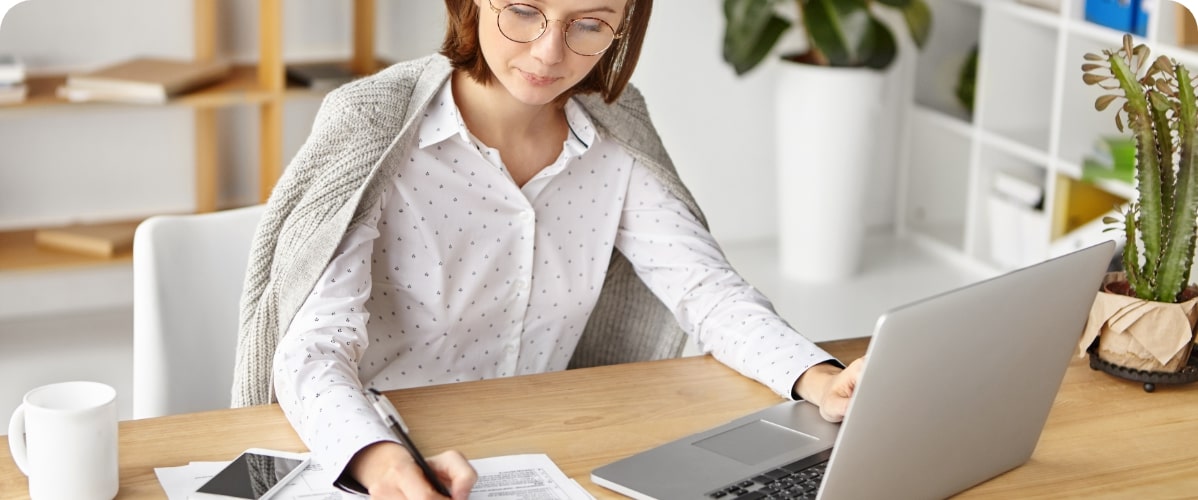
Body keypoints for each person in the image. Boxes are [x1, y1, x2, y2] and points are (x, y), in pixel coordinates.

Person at [231, 0, 865, 497]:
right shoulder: (377, 130)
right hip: (385, 455)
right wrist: (382, 463)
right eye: (524, 11)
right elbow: (312, 350)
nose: (549, 51)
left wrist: (816, 377)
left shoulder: (617, 133)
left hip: (546, 451)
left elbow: (706, 291)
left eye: (590, 24)